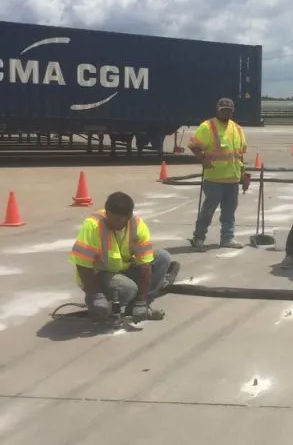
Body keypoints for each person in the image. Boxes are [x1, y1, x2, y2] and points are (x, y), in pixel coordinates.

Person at [69, 191, 180, 322]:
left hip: (123, 269)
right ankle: (102, 304)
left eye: (119, 218)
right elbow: (82, 264)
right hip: (98, 274)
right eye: (111, 216)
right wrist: (95, 295)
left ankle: (135, 307)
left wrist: (142, 302)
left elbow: (145, 266)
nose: (114, 221)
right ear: (107, 211)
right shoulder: (93, 225)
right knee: (127, 289)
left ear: (128, 216)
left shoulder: (137, 226)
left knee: (162, 257)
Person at [188, 97, 248, 251]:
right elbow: (193, 145)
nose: (226, 113)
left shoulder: (238, 129)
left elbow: (240, 154)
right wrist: (202, 158)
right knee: (208, 211)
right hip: (214, 178)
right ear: (218, 110)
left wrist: (244, 174)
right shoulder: (208, 127)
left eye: (229, 110)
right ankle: (199, 238)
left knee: (229, 212)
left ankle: (227, 238)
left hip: (232, 179)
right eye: (224, 110)